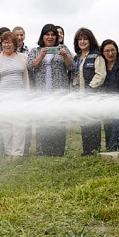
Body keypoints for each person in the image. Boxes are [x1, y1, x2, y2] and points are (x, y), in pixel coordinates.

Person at [27, 24, 73, 156]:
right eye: (47, 34)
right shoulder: (35, 50)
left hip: (59, 93)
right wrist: (41, 56)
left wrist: (65, 56)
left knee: (58, 121)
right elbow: (30, 67)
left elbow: (71, 67)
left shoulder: (63, 48)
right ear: (42, 36)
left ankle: (58, 151)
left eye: (53, 35)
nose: (50, 37)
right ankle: (46, 150)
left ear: (57, 37)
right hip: (42, 93)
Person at [0, 31, 30, 158]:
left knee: (19, 126)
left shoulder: (23, 57)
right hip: (3, 98)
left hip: (20, 97)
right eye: (4, 42)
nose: (6, 45)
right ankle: (9, 152)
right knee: (6, 126)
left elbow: (27, 77)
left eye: (9, 42)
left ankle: (17, 153)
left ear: (14, 44)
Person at [72, 27, 106, 155]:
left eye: (85, 39)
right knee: (84, 122)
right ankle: (86, 150)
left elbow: (100, 75)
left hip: (92, 95)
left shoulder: (96, 56)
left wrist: (90, 89)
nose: (82, 41)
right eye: (80, 39)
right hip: (80, 95)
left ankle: (94, 150)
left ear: (90, 40)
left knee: (93, 122)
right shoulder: (77, 58)